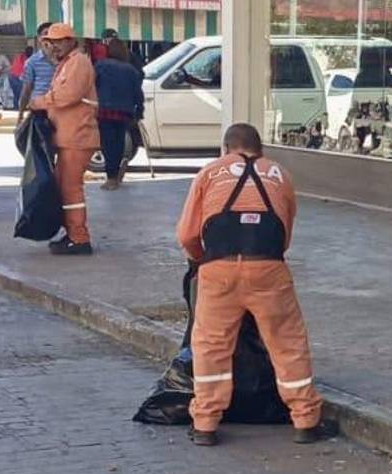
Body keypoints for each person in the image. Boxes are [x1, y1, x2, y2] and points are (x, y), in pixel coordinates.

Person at [176, 123, 338, 448]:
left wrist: (200, 261)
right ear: (260, 149)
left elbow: (187, 235)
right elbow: (284, 233)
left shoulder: (209, 173)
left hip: (219, 271)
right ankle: (306, 420)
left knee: (211, 346)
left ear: (226, 149)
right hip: (268, 268)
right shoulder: (279, 174)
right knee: (287, 343)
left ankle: (205, 424)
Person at [28, 23, 100, 256]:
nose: (55, 46)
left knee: (70, 189)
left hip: (77, 137)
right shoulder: (67, 63)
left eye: (59, 42)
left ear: (71, 41)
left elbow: (68, 95)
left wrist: (39, 102)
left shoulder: (78, 63)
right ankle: (73, 234)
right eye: (51, 42)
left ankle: (79, 238)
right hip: (70, 137)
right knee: (65, 188)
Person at [94, 39, 144, 190]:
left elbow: (93, 84)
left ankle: (111, 177)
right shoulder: (131, 70)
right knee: (119, 142)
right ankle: (117, 168)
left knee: (107, 144)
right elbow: (138, 93)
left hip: (105, 110)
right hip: (124, 111)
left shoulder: (101, 66)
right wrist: (139, 110)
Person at [19, 22, 56, 123]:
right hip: (40, 110)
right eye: (45, 33)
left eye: (52, 34)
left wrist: (53, 58)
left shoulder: (63, 59)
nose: (48, 37)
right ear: (39, 38)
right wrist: (21, 114)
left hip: (59, 108)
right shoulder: (32, 61)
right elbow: (26, 89)